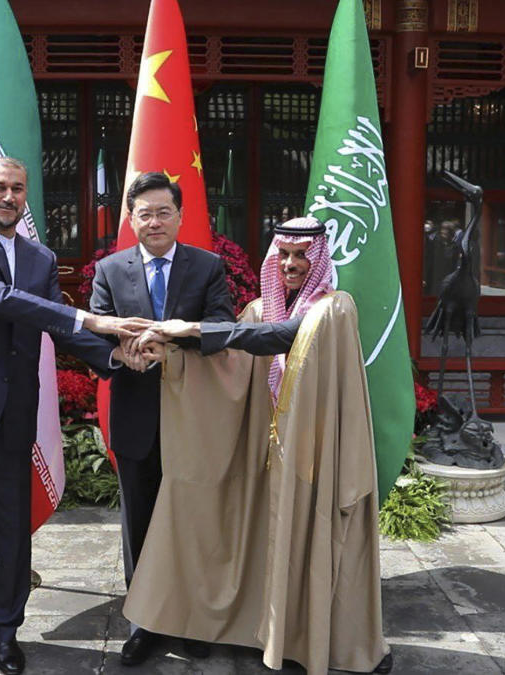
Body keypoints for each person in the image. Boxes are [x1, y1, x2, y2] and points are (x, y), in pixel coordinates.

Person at [0, 157, 149, 675]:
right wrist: (89, 314)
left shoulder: (40, 258)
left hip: (15, 410)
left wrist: (114, 355)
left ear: (26, 198)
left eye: (18, 189)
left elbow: (59, 330)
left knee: (11, 530)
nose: (9, 196)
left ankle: (4, 632)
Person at [125, 216, 392, 674]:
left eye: (301, 255)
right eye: (283, 255)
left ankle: (320, 642)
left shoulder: (334, 308)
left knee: (312, 540)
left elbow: (284, 336)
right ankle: (267, 633)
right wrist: (171, 353)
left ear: (319, 258)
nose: (290, 264)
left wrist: (188, 329)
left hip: (314, 454)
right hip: (264, 453)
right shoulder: (256, 309)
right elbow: (229, 362)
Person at [89, 171, 235, 666]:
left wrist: (172, 342)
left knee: (191, 520)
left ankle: (191, 618)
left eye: (163, 211)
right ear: (130, 219)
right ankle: (144, 621)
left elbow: (223, 328)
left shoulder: (207, 266)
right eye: (144, 213)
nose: (154, 221)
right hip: (136, 415)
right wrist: (118, 356)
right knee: (141, 523)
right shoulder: (110, 270)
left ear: (180, 216)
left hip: (193, 416)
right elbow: (94, 334)